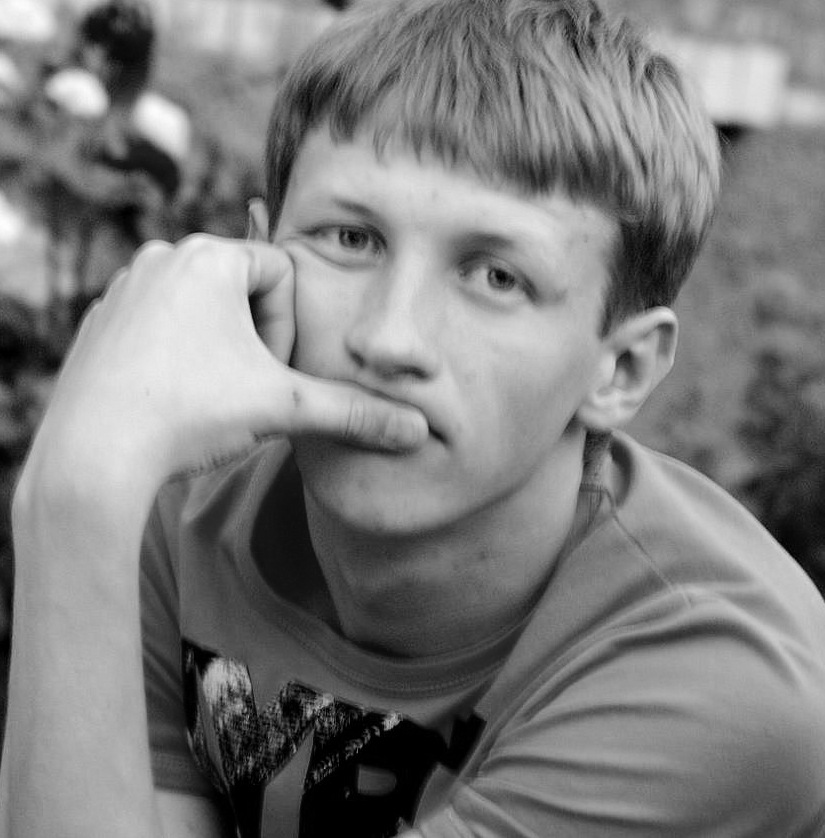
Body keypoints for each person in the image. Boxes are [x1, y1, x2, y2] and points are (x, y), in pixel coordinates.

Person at [3, 0, 825, 835]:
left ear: (621, 370)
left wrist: (72, 498)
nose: (389, 339)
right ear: (257, 258)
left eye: (496, 277)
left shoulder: (705, 679)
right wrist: (88, 496)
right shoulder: (174, 505)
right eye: (349, 239)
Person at [35, 0, 189, 328]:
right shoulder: (158, 123)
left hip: (108, 277)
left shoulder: (89, 118)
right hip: (119, 282)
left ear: (100, 54)